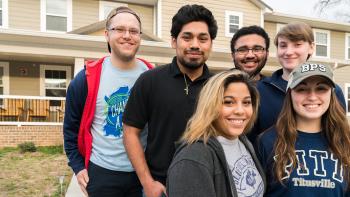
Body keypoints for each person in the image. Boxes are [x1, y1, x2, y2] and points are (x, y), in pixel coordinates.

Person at [122, 4, 218, 197]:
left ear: (211, 44)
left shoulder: (218, 87)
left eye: (203, 38)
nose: (195, 45)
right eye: (187, 37)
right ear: (174, 41)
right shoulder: (150, 80)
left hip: (208, 185)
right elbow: (130, 133)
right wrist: (147, 183)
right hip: (161, 187)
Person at [63, 7, 152, 197]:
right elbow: (70, 129)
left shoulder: (152, 76)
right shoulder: (86, 78)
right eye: (119, 29)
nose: (127, 35)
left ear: (139, 36)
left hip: (143, 175)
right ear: (106, 35)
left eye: (133, 31)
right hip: (102, 173)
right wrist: (78, 167)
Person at [167, 70, 266, 197]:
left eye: (246, 102)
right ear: (210, 106)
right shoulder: (192, 159)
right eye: (228, 102)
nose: (240, 111)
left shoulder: (243, 141)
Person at [256, 63, 350, 196]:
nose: (312, 97)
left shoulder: (345, 142)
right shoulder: (267, 141)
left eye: (321, 88)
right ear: (290, 94)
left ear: (331, 94)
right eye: (302, 89)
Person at [248, 22, 346, 144]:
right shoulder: (259, 90)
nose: (288, 52)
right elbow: (250, 138)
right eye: (283, 46)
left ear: (311, 47)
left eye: (297, 44)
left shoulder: (333, 91)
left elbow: (339, 134)